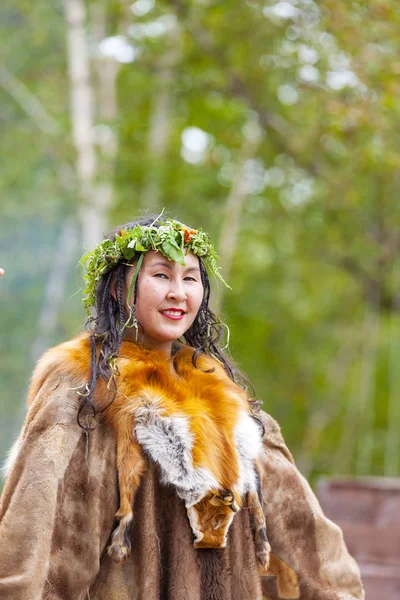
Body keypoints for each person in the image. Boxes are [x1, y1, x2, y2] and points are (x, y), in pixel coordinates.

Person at [0, 215, 364, 600]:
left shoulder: (223, 396)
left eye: (190, 278)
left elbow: (302, 526)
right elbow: (42, 525)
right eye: (161, 275)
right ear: (117, 290)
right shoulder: (87, 386)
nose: (178, 293)